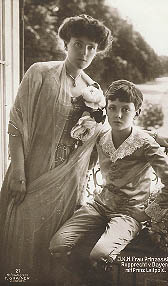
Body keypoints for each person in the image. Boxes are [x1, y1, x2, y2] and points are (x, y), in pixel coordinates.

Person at [0, 14, 112, 286]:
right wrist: (18, 172)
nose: (84, 52)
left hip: (67, 185)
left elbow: (102, 139)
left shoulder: (95, 92)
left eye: (91, 47)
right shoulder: (40, 72)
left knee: (53, 250)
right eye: (78, 44)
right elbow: (16, 124)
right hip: (31, 174)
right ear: (66, 43)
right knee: (22, 243)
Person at [50, 80, 168, 286]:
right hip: (99, 205)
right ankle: (88, 281)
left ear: (137, 112)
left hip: (129, 212)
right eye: (113, 108)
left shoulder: (145, 144)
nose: (118, 115)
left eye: (125, 109)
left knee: (99, 254)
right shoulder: (101, 136)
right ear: (106, 110)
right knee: (58, 245)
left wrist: (148, 213)